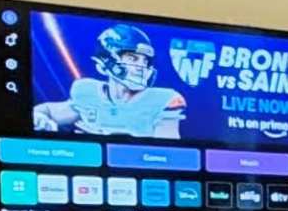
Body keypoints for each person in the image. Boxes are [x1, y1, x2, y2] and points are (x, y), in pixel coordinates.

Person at [33, 20, 188, 139]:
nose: (141, 66)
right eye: (133, 58)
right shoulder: (87, 92)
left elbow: (169, 148)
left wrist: (106, 136)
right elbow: (49, 111)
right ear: (106, 62)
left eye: (145, 60)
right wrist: (40, 118)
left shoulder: (165, 99)